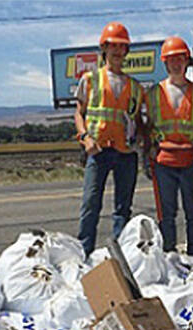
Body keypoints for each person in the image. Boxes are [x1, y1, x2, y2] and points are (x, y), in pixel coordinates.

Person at [73, 22, 145, 256]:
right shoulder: (90, 79)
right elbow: (79, 113)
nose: (117, 51)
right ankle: (84, 254)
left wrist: (144, 146)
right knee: (90, 205)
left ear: (126, 51)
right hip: (99, 150)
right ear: (104, 48)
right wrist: (85, 138)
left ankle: (120, 256)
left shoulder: (134, 86)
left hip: (126, 152)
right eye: (112, 46)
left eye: (122, 46)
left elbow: (139, 120)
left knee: (123, 209)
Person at [145, 36, 193, 257]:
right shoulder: (154, 94)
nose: (176, 64)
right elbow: (147, 127)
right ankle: (168, 255)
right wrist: (147, 155)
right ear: (165, 62)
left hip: (190, 161)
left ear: (187, 62)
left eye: (180, 59)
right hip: (163, 162)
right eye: (171, 59)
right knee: (167, 214)